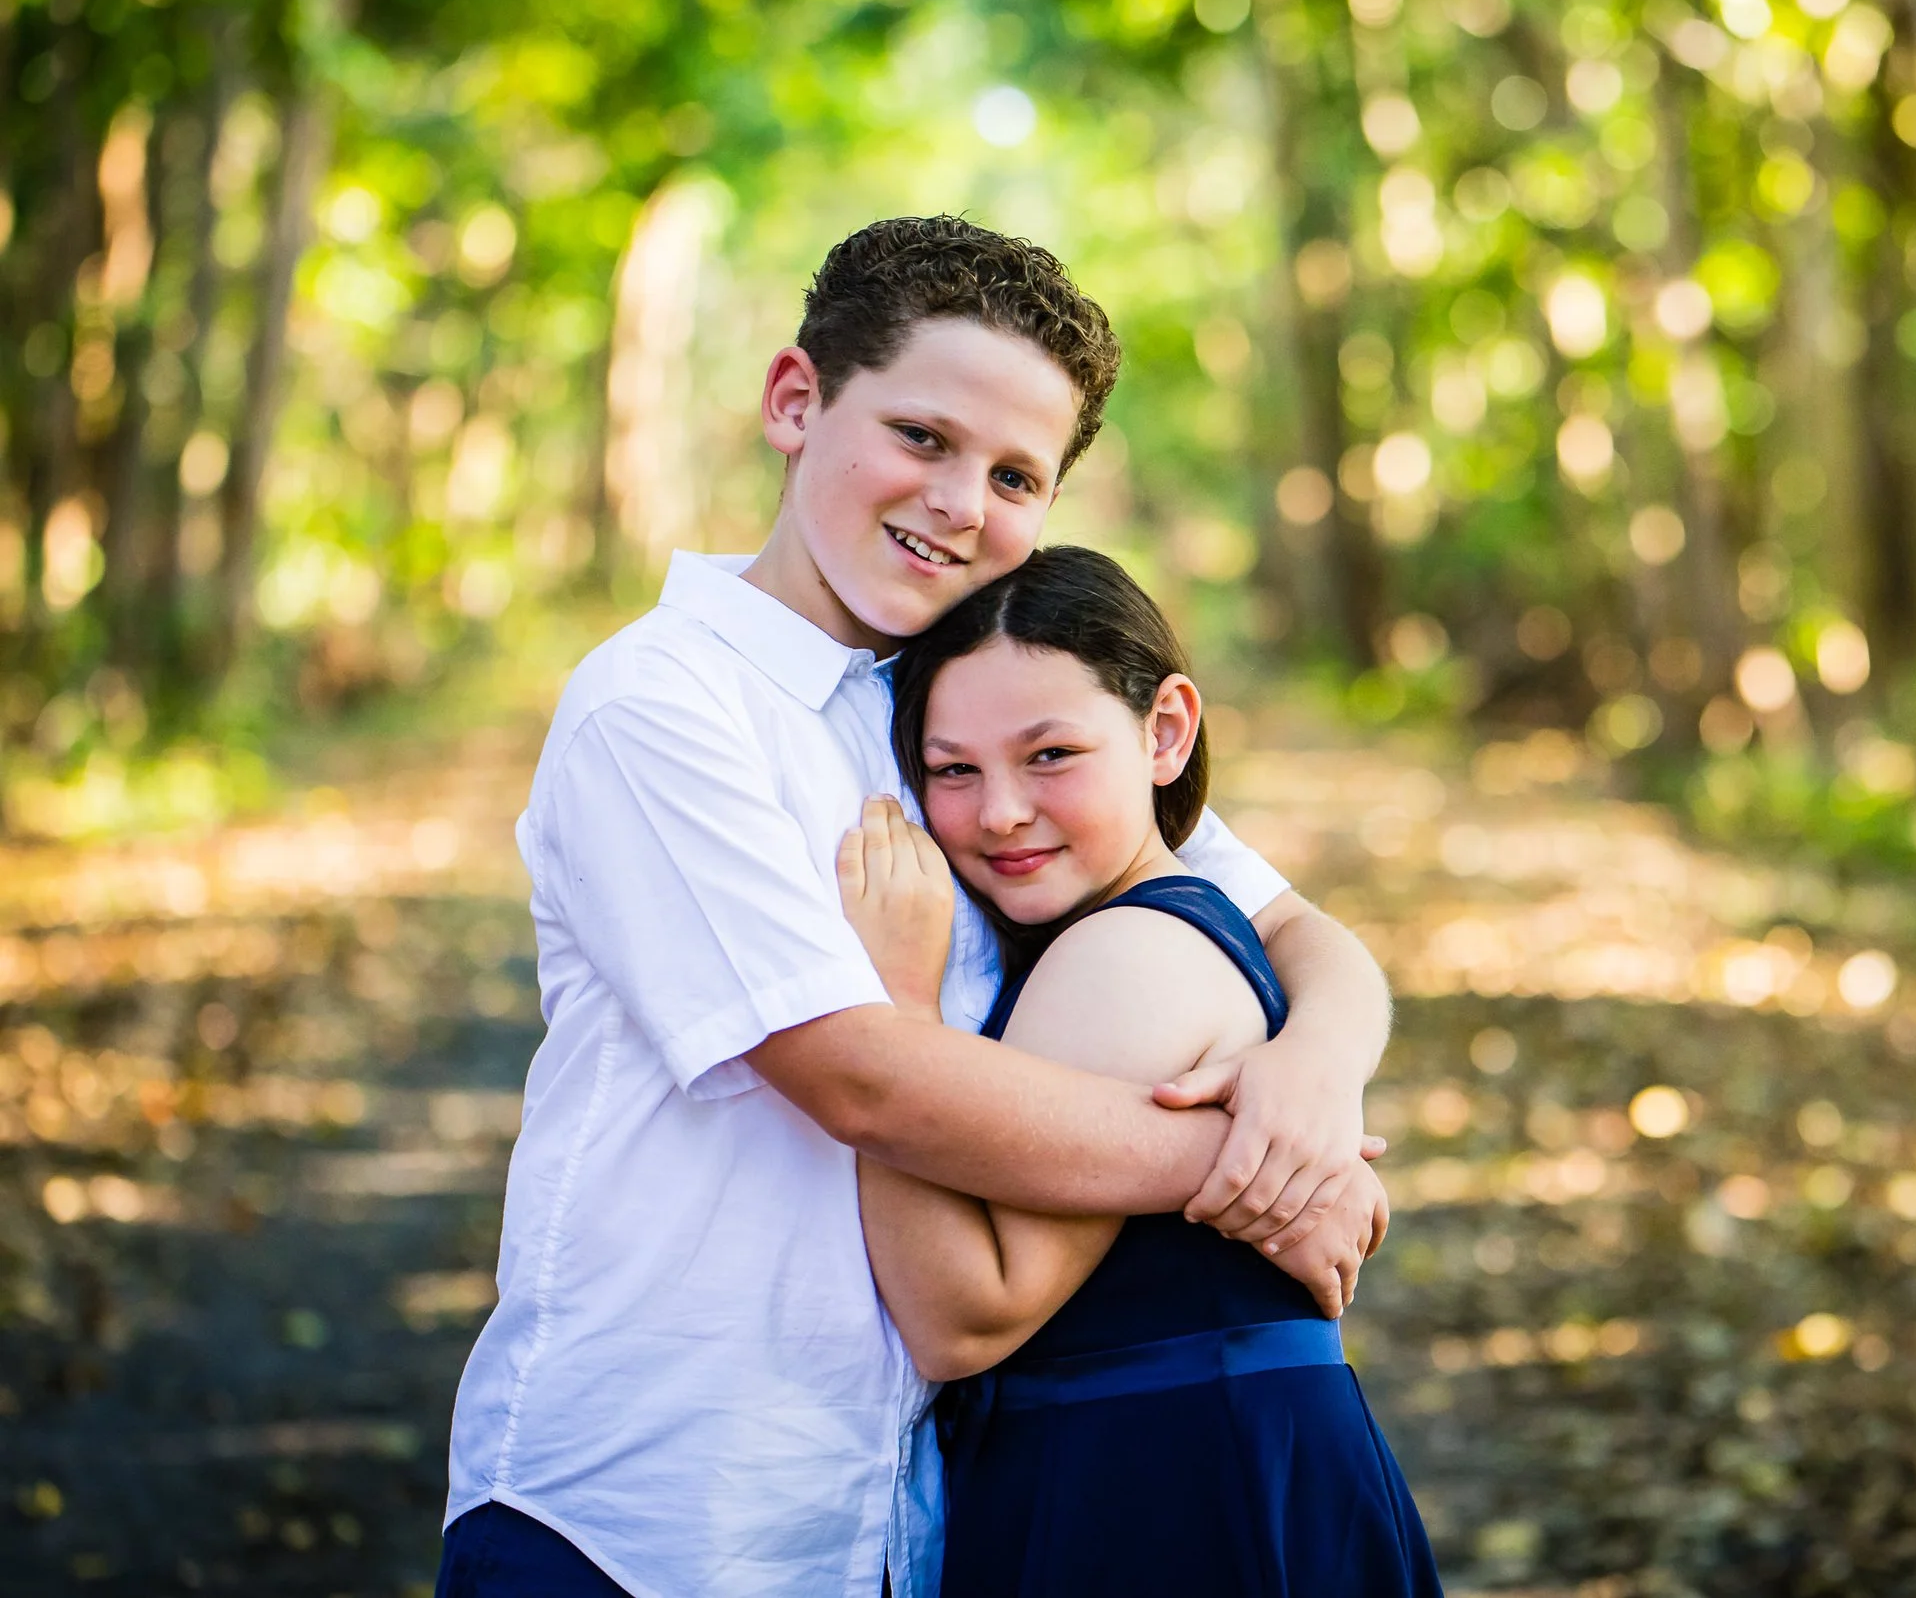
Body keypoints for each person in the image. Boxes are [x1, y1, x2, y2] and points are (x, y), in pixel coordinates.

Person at [436, 219, 1394, 1598]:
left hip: (896, 1523)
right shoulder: (663, 704)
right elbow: (859, 1072)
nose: (960, 501)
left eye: (1016, 474)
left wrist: (1311, 1072)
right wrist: (1252, 1168)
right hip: (649, 1510)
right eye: (924, 437)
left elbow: (1296, 934)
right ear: (795, 400)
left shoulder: (973, 704)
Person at [839, 544, 1440, 1597]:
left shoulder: (1121, 953)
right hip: (1177, 1463)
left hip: (1167, 1491)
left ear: (1165, 732)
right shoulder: (1146, 916)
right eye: (952, 769)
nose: (1001, 812)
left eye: (1051, 755)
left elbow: (962, 1313)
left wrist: (893, 1002)